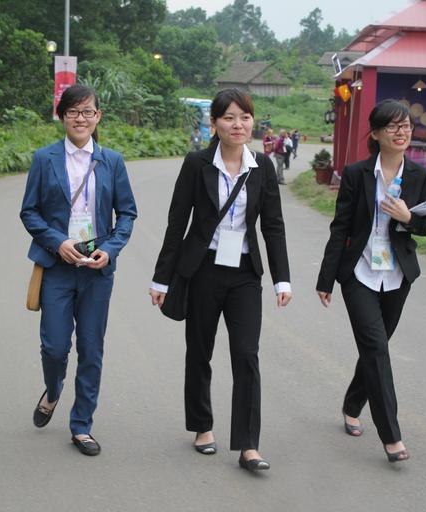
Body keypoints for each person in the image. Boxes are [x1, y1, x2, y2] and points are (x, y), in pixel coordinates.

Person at [149, 88, 292, 472]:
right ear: (214, 123)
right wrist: (162, 279)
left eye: (244, 117)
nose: (238, 124)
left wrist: (282, 279)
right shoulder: (197, 164)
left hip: (245, 273)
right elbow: (177, 222)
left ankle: (248, 445)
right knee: (200, 351)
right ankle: (202, 425)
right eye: (229, 117)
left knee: (246, 354)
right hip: (203, 270)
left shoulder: (262, 167)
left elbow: (273, 226)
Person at [20, 84, 137, 456]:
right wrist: (58, 242)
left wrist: (110, 250)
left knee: (91, 348)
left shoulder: (112, 161)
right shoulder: (44, 159)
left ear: (98, 116)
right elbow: (29, 212)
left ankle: (82, 425)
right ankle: (53, 389)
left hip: (96, 272)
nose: (80, 118)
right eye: (73, 112)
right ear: (62, 117)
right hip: (57, 267)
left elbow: (127, 214)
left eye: (88, 112)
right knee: (54, 348)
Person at [315, 99, 426, 463]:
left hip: (397, 276)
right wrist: (326, 278)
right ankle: (392, 437)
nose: (402, 132)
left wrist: (407, 216)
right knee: (378, 350)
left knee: (374, 349)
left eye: (406, 126)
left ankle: (352, 405)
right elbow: (340, 228)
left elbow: (425, 226)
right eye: (393, 127)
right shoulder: (357, 174)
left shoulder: (419, 176)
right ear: (377, 133)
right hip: (360, 274)